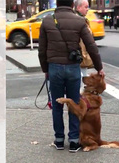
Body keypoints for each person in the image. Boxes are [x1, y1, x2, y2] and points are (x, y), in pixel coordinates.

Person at [38, 0, 104, 153]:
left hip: (54, 67)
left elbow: (42, 49)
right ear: (72, 5)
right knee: (75, 103)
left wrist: (45, 69)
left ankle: (59, 140)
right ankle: (74, 141)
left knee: (57, 105)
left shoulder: (47, 21)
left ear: (57, 4)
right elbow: (91, 46)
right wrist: (99, 67)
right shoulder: (80, 21)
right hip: (74, 68)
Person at [74, 0, 95, 92]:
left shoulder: (83, 20)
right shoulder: (78, 20)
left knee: (81, 83)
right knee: (80, 84)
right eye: (85, 7)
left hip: (83, 56)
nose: (87, 9)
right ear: (78, 7)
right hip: (80, 56)